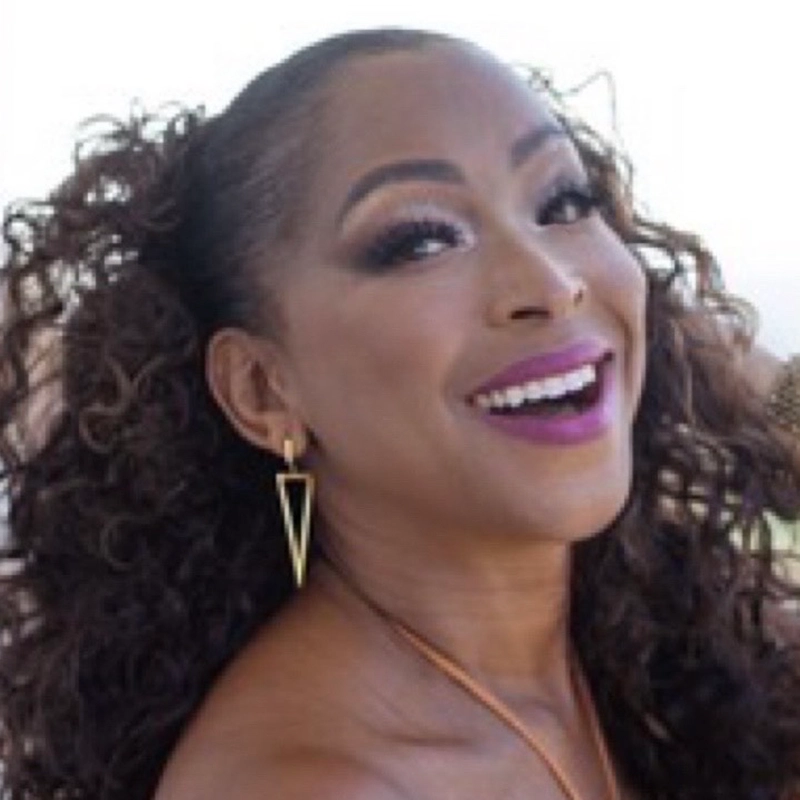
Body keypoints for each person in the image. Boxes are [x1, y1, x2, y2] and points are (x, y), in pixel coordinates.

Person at [1, 27, 799, 800]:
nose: (552, 282)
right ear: (261, 389)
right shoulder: (309, 784)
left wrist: (733, 381)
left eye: (564, 202)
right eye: (421, 241)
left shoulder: (670, 672)